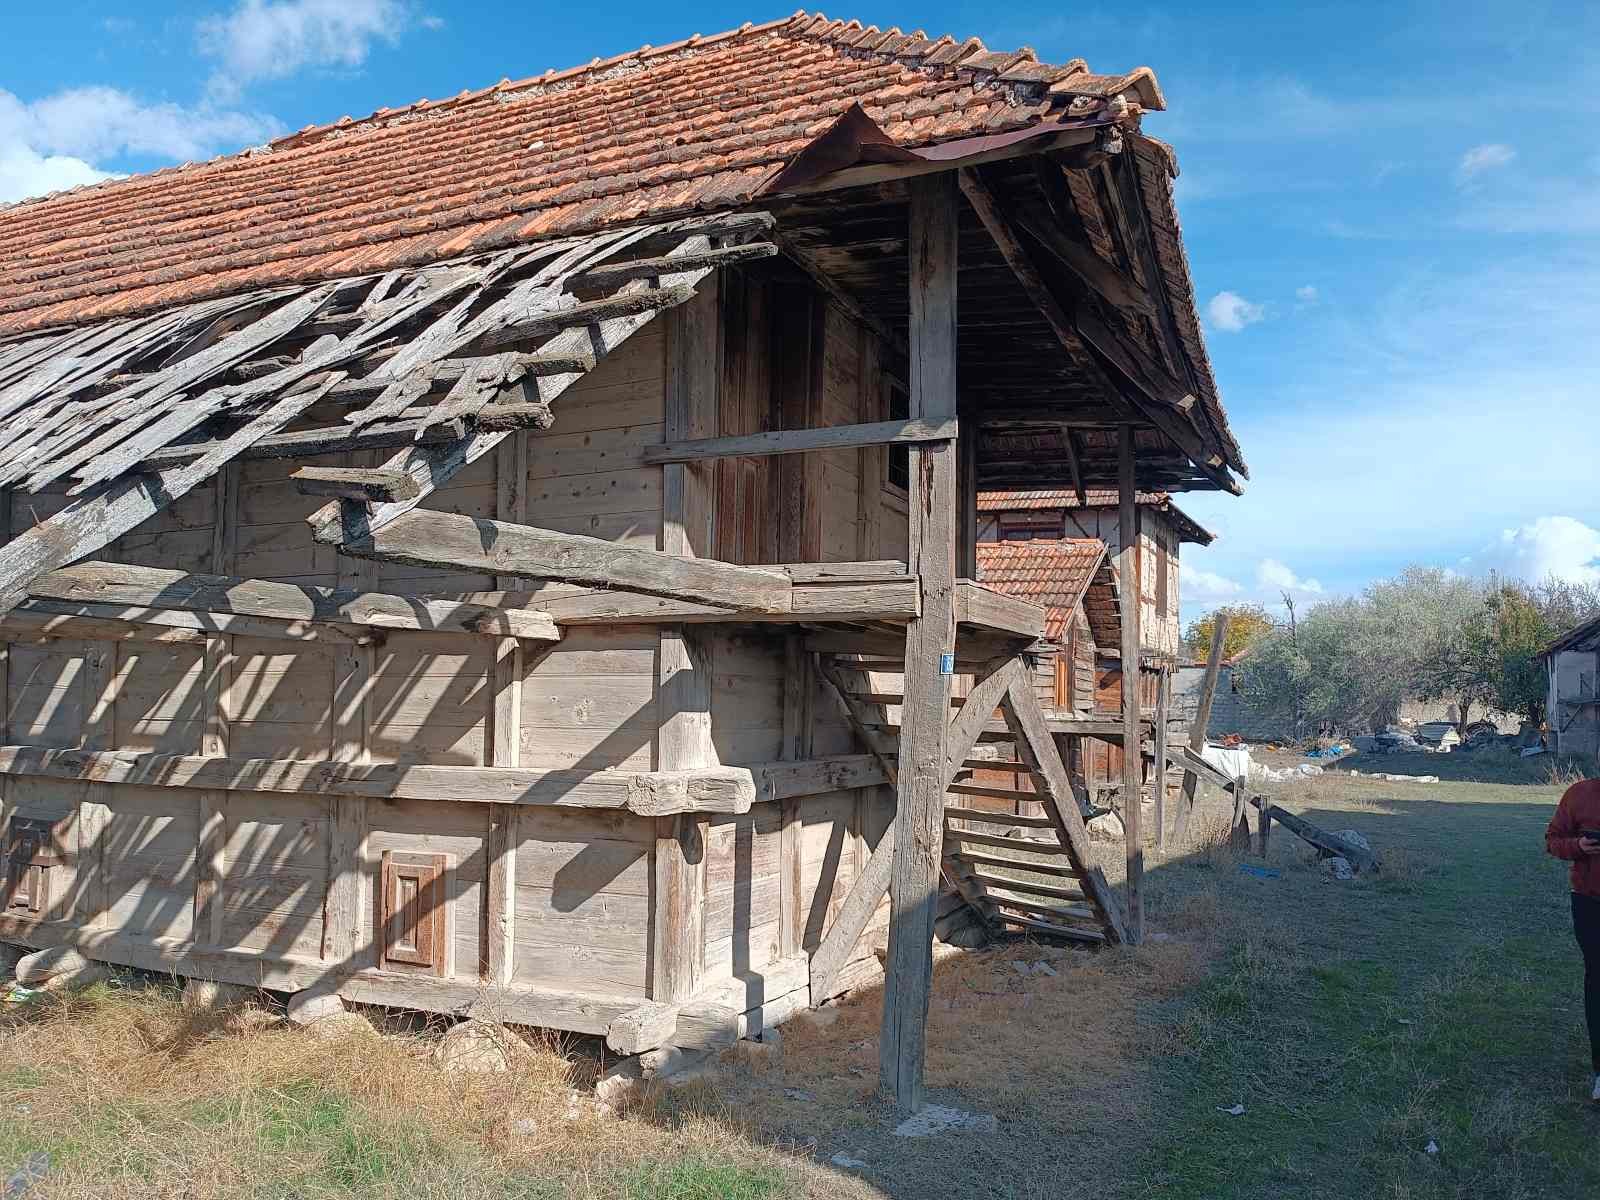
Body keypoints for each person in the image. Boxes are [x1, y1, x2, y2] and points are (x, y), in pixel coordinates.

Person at [1546, 775, 1600, 1102]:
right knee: (1597, 980)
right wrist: (1578, 846)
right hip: (1589, 902)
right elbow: (1552, 840)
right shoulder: (1579, 794)